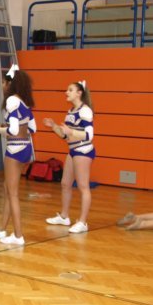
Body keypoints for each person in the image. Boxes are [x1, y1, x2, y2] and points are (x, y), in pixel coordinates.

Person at [0, 63, 35, 245]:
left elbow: (13, 130)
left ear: (10, 83)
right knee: (9, 189)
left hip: (14, 149)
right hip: (25, 147)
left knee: (12, 194)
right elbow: (32, 128)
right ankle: (2, 229)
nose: (2, 85)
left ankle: (18, 235)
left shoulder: (12, 101)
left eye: (4, 82)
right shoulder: (24, 102)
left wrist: (0, 129)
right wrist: (11, 128)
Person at [45, 80, 94, 234]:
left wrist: (71, 132)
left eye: (70, 90)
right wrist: (54, 126)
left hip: (83, 150)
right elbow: (65, 136)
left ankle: (83, 222)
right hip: (72, 150)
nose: (66, 92)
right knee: (65, 184)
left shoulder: (85, 111)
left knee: (83, 187)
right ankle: (64, 216)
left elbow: (89, 135)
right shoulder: (71, 111)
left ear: (79, 93)